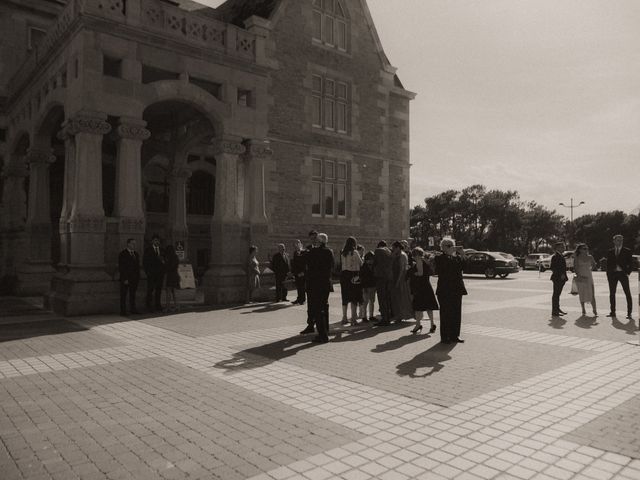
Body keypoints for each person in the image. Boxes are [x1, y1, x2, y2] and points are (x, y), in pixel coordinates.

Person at [434, 239, 467, 343]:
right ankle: (445, 337)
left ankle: (455, 335)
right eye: (448, 245)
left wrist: (463, 255)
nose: (451, 247)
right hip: (445, 290)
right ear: (443, 247)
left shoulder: (457, 258)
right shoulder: (439, 258)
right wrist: (451, 256)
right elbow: (444, 269)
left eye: (452, 245)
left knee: (456, 313)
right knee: (445, 314)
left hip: (457, 289)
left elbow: (466, 267)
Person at [306, 233, 334, 343]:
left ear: (318, 241)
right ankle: (325, 330)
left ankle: (322, 335)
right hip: (326, 283)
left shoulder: (313, 252)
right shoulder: (329, 252)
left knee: (318, 309)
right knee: (324, 307)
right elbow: (331, 266)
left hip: (316, 284)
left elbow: (308, 265)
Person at [409, 247, 438, 334]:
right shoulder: (426, 261)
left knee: (418, 307)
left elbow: (420, 273)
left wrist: (413, 273)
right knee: (429, 307)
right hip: (427, 286)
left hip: (420, 287)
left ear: (417, 255)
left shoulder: (419, 261)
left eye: (414, 255)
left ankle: (418, 324)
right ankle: (432, 324)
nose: (413, 257)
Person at [606, 234, 634, 319]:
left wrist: (627, 273)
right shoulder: (610, 251)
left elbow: (631, 263)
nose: (620, 241)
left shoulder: (627, 251)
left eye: (621, 240)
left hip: (623, 274)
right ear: (614, 241)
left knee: (627, 293)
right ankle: (612, 312)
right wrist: (608, 274)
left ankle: (629, 313)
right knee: (612, 294)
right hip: (612, 275)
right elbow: (608, 264)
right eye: (618, 240)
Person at [340, 237, 363, 325]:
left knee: (345, 296)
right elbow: (361, 263)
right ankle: (353, 318)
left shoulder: (343, 252)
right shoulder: (355, 252)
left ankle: (344, 317)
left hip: (344, 275)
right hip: (353, 275)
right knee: (354, 297)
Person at [300, 230, 319, 334]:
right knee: (310, 304)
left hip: (319, 281)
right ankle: (310, 324)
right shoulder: (307, 249)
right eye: (312, 239)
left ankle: (319, 324)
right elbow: (303, 262)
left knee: (319, 304)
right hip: (310, 280)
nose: (314, 241)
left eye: (315, 238)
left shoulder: (322, 249)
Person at [391, 241, 414, 323]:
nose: (392, 249)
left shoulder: (403, 255)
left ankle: (403, 315)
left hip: (402, 279)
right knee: (398, 298)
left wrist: (398, 281)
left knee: (403, 297)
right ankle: (399, 315)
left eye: (394, 248)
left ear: (397, 248)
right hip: (398, 278)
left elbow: (402, 269)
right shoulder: (397, 255)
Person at [373, 240, 393, 325]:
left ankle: (384, 319)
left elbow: (375, 263)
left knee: (381, 298)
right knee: (387, 298)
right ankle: (388, 317)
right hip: (388, 277)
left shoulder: (378, 251)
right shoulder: (389, 252)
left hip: (380, 277)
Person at [143, 234, 165, 313]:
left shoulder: (162, 250)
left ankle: (158, 305)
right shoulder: (148, 250)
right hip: (151, 274)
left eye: (158, 240)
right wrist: (147, 272)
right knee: (150, 289)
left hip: (160, 274)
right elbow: (145, 262)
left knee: (158, 290)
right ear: (152, 241)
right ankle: (149, 306)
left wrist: (163, 263)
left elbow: (165, 261)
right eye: (155, 240)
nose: (157, 242)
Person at [573, 243, 597, 316]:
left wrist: (589, 269)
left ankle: (595, 310)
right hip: (581, 276)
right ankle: (583, 309)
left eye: (587, 248)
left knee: (592, 294)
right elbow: (575, 268)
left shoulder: (590, 257)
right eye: (584, 249)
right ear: (580, 250)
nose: (586, 250)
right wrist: (579, 276)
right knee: (582, 294)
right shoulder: (577, 257)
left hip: (589, 276)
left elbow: (594, 265)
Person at [118, 238, 140, 316]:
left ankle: (133, 309)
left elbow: (137, 267)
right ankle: (123, 311)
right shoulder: (123, 254)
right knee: (123, 295)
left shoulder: (136, 254)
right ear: (128, 244)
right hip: (126, 278)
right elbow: (122, 267)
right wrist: (125, 278)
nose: (134, 245)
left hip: (134, 278)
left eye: (135, 244)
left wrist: (138, 277)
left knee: (132, 294)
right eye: (132, 243)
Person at [550, 241, 568, 317]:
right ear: (557, 248)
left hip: (561, 278)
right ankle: (555, 311)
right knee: (556, 295)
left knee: (557, 295)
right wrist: (561, 274)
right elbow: (553, 267)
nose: (564, 248)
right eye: (562, 247)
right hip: (558, 278)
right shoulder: (555, 256)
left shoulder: (561, 255)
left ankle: (557, 308)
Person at [359, 251, 377, 322]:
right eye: (369, 259)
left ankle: (371, 315)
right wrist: (363, 287)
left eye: (372, 259)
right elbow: (362, 278)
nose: (371, 261)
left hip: (372, 286)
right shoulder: (363, 267)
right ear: (366, 260)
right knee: (365, 302)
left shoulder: (374, 267)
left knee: (372, 301)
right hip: (366, 287)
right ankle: (364, 316)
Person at [164, 244, 180, 311]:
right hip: (175, 275)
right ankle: (176, 306)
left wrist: (164, 263)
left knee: (168, 291)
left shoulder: (169, 258)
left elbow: (169, 267)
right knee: (174, 292)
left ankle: (168, 307)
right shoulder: (176, 257)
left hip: (170, 276)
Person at [291, 240, 306, 305]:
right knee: (298, 286)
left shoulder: (304, 252)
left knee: (302, 287)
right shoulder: (295, 252)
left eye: (297, 243)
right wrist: (293, 273)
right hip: (297, 273)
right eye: (295, 244)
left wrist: (303, 272)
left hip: (302, 273)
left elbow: (306, 263)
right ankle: (299, 298)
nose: (296, 245)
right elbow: (294, 263)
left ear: (300, 244)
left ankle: (302, 300)